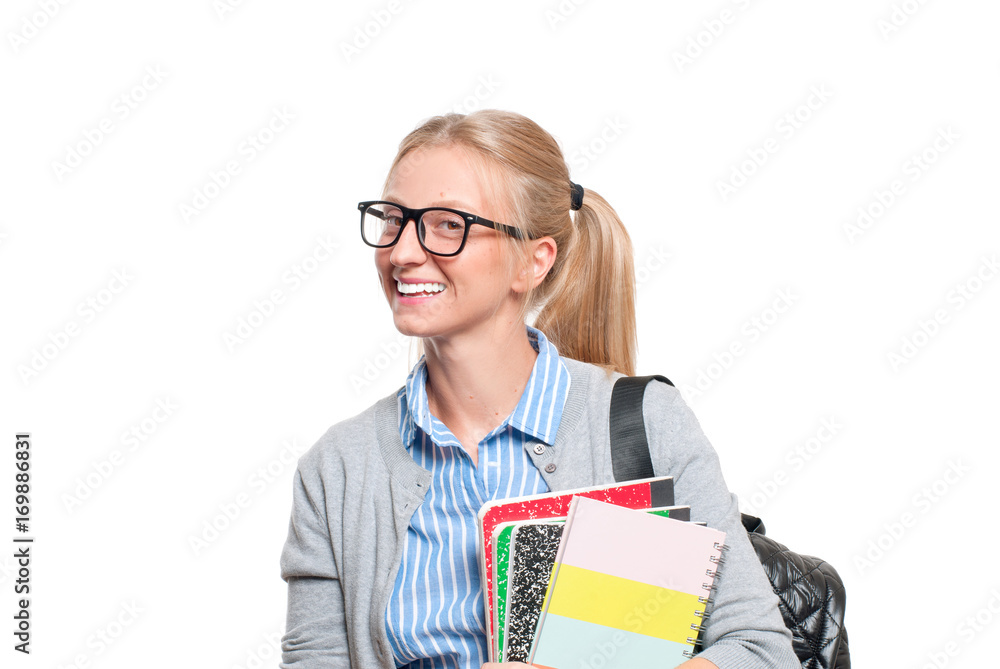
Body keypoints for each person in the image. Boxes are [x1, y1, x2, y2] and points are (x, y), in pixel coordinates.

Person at [279, 110, 799, 669]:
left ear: (533, 261)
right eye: (392, 219)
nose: (402, 252)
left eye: (448, 224)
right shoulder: (337, 470)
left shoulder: (647, 423)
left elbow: (761, 650)